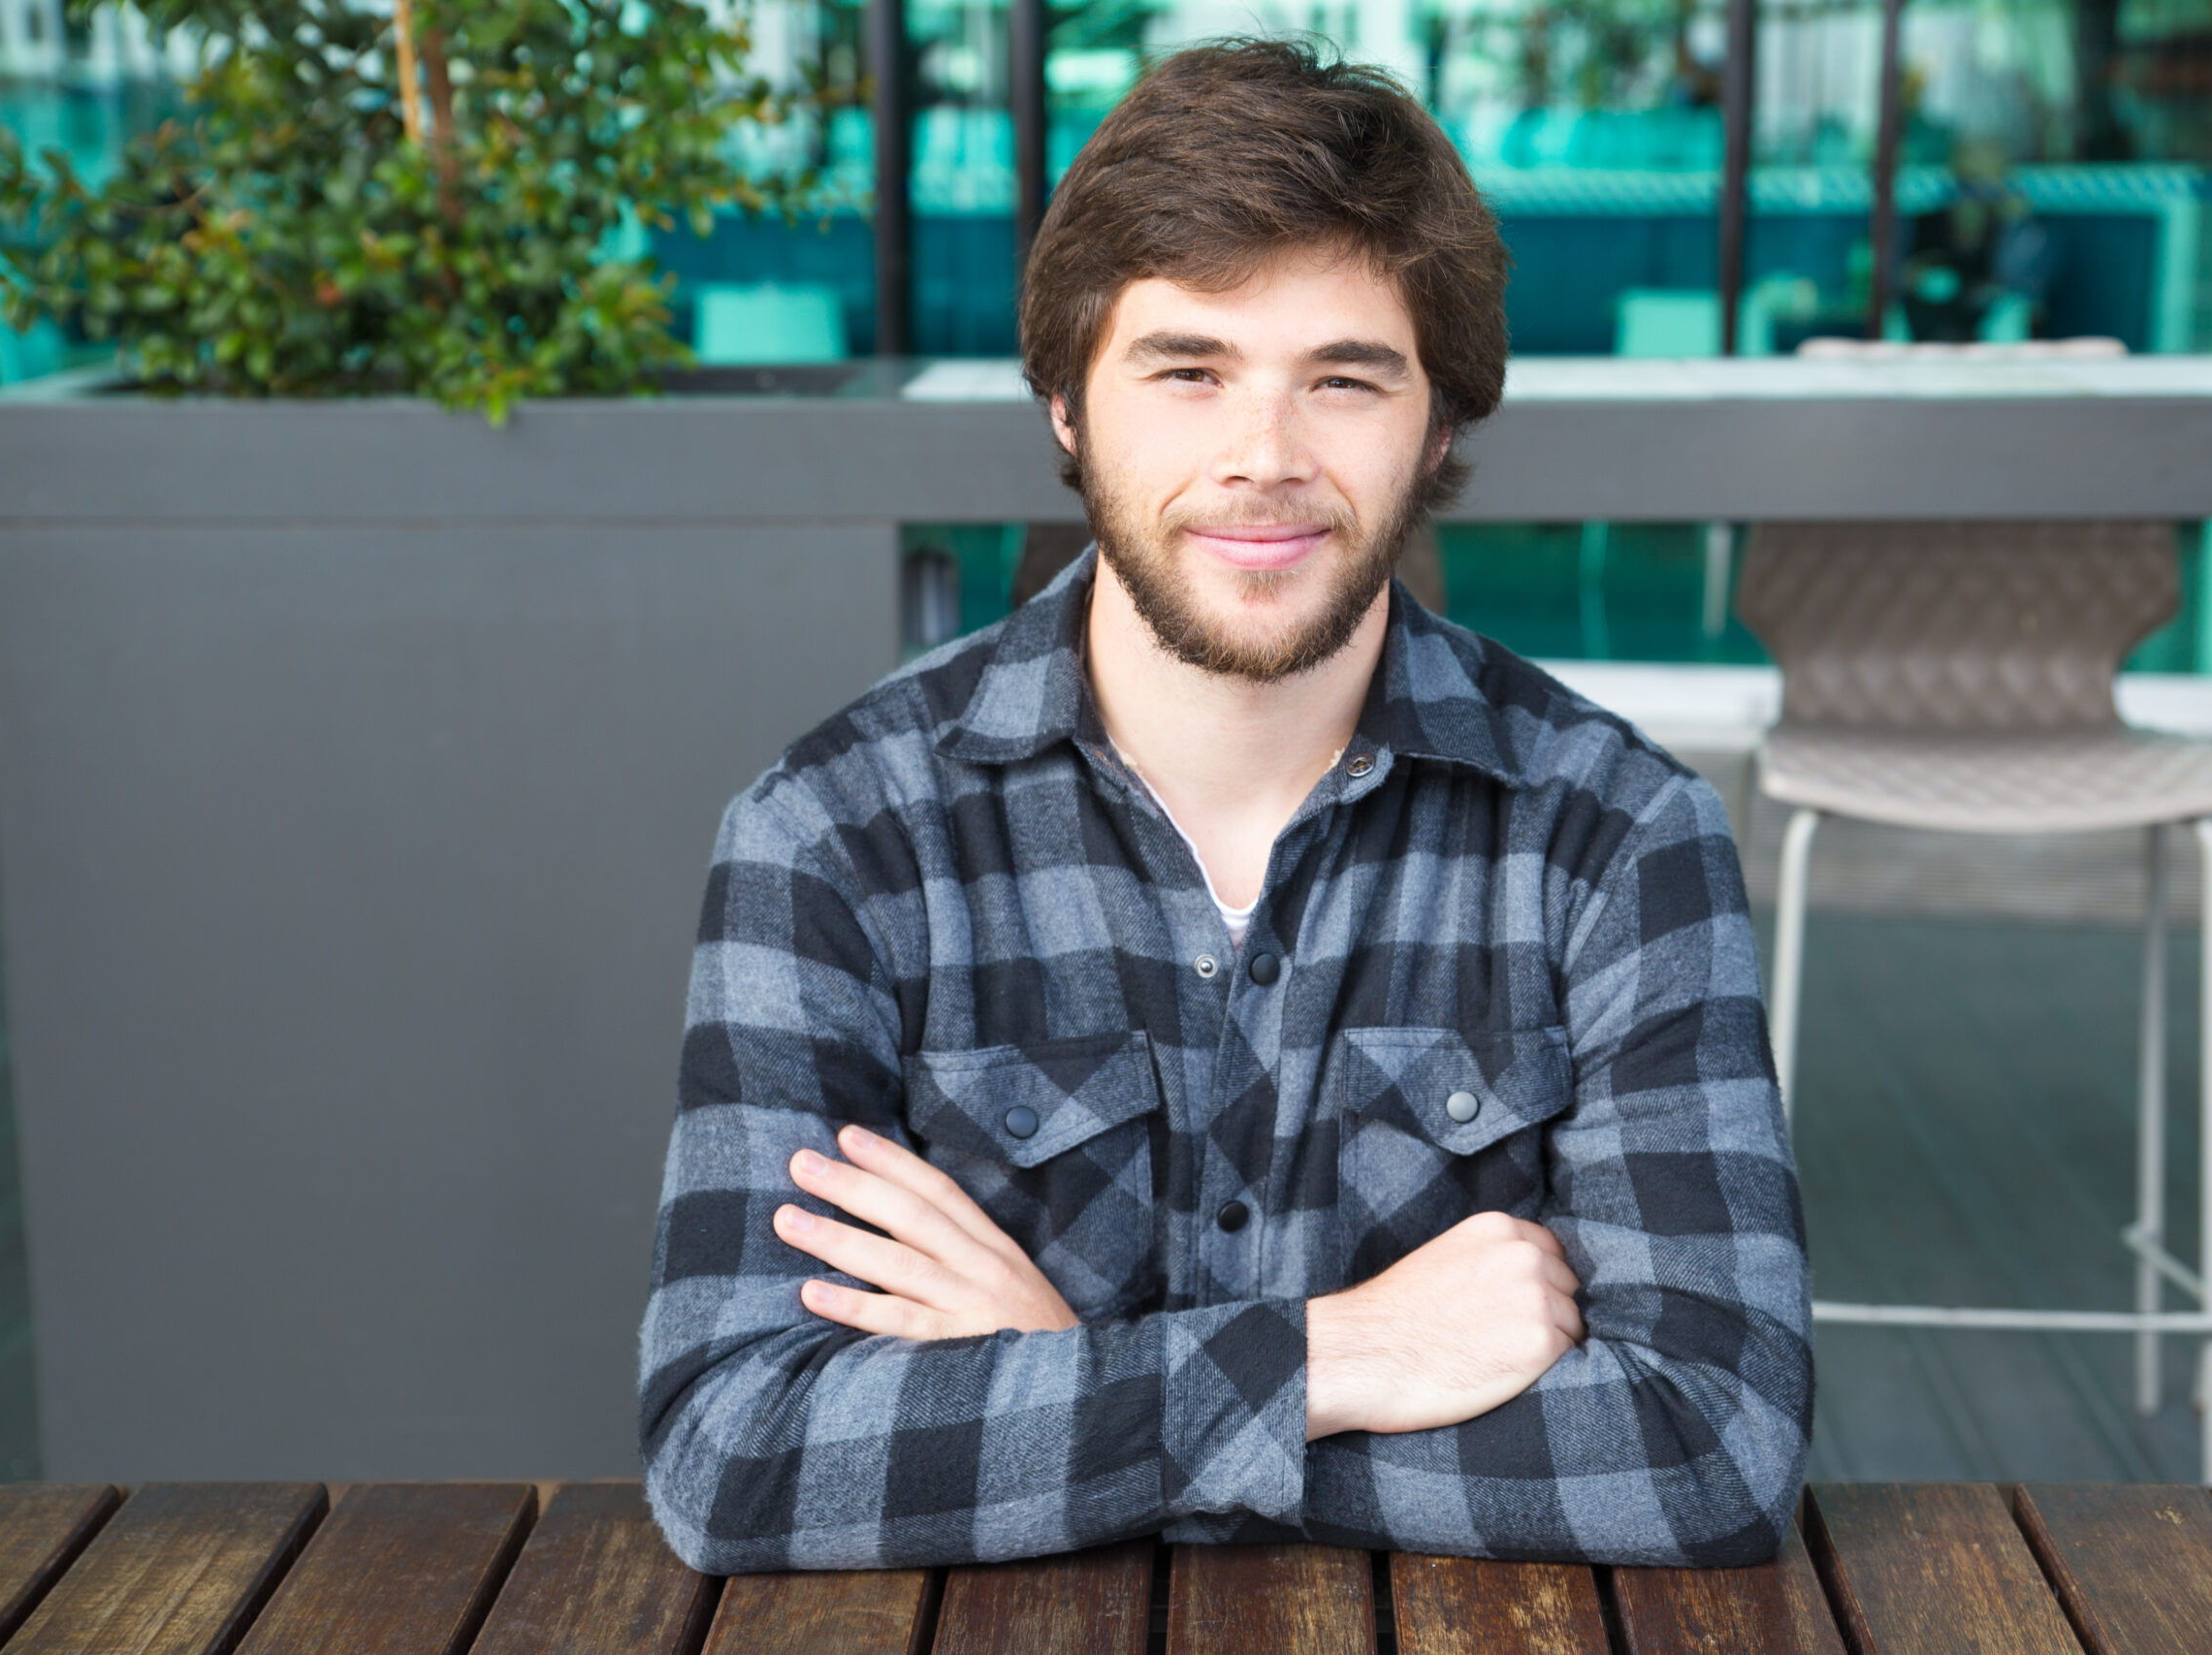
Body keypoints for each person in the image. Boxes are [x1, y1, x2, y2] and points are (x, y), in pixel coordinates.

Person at [638, 37, 1811, 1573]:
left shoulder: (1615, 836)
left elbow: (1710, 1449)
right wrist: (1338, 1362)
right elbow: (735, 1455)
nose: (1264, 458)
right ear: (1066, 403)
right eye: (1187, 372)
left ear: (1439, 424)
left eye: (1344, 379)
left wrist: (1071, 1378)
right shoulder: (836, 837)